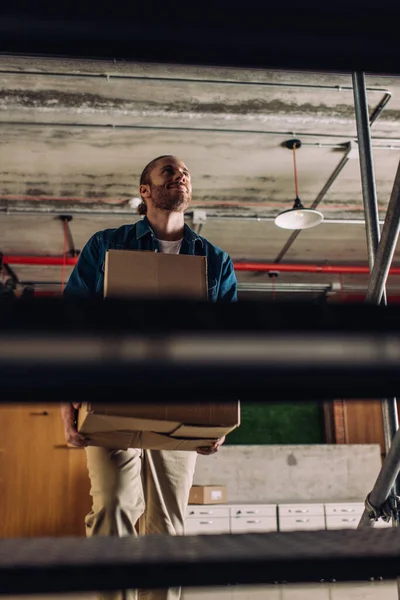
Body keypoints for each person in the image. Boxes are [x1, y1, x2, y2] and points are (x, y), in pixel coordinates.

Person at [60, 155, 238, 600]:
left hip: (182, 405)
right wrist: (66, 407)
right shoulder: (107, 245)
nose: (181, 176)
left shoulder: (214, 261)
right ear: (145, 191)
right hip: (111, 397)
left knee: (168, 527)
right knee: (113, 510)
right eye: (168, 172)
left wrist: (220, 419)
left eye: (185, 173)